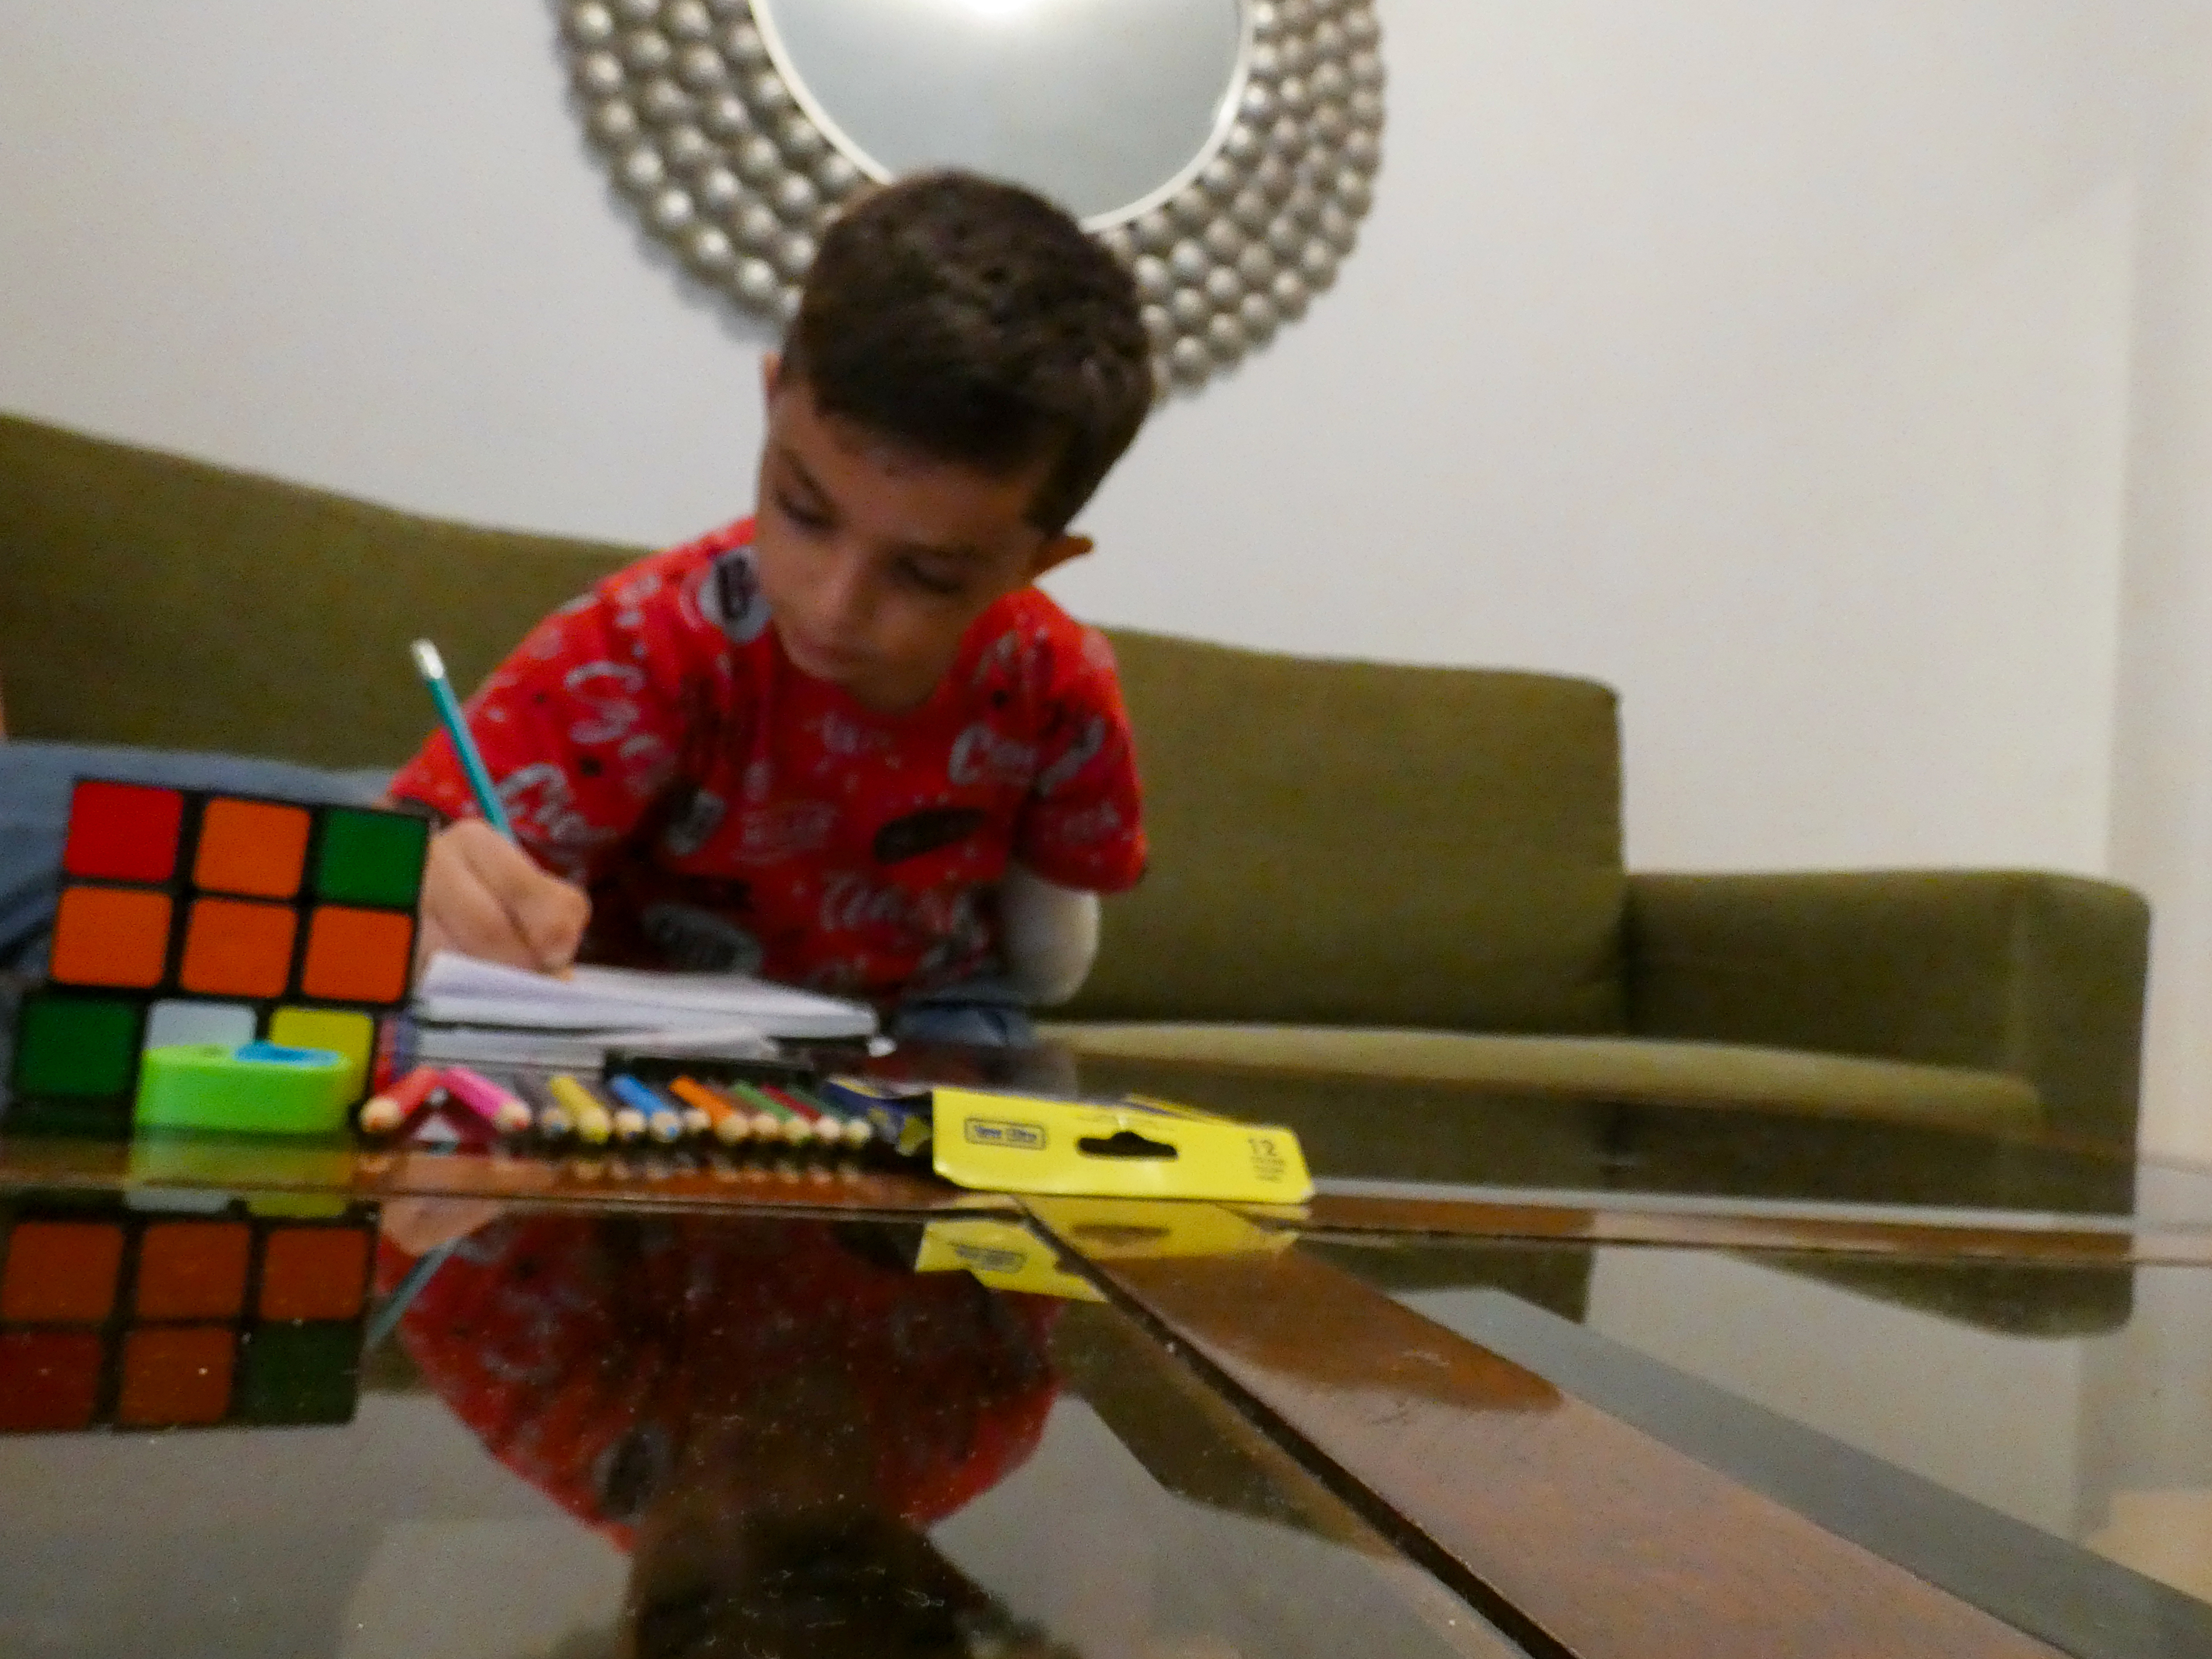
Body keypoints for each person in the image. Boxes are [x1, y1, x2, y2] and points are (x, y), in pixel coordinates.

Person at [389, 172, 1156, 1044]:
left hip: (919, 1012)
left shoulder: (1056, 683)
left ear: (1037, 565)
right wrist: (435, 879)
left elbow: (1051, 960)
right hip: (632, 1012)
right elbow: (426, 863)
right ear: (770, 403)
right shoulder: (646, 642)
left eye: (928, 575)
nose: (834, 604)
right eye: (803, 510)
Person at [375, 1204, 1077, 1659]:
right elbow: (1048, 1163)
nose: (724, 1494)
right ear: (940, 1573)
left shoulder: (545, 1383)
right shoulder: (975, 1398)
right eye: (816, 1556)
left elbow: (409, 1153)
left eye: (682, 1604)